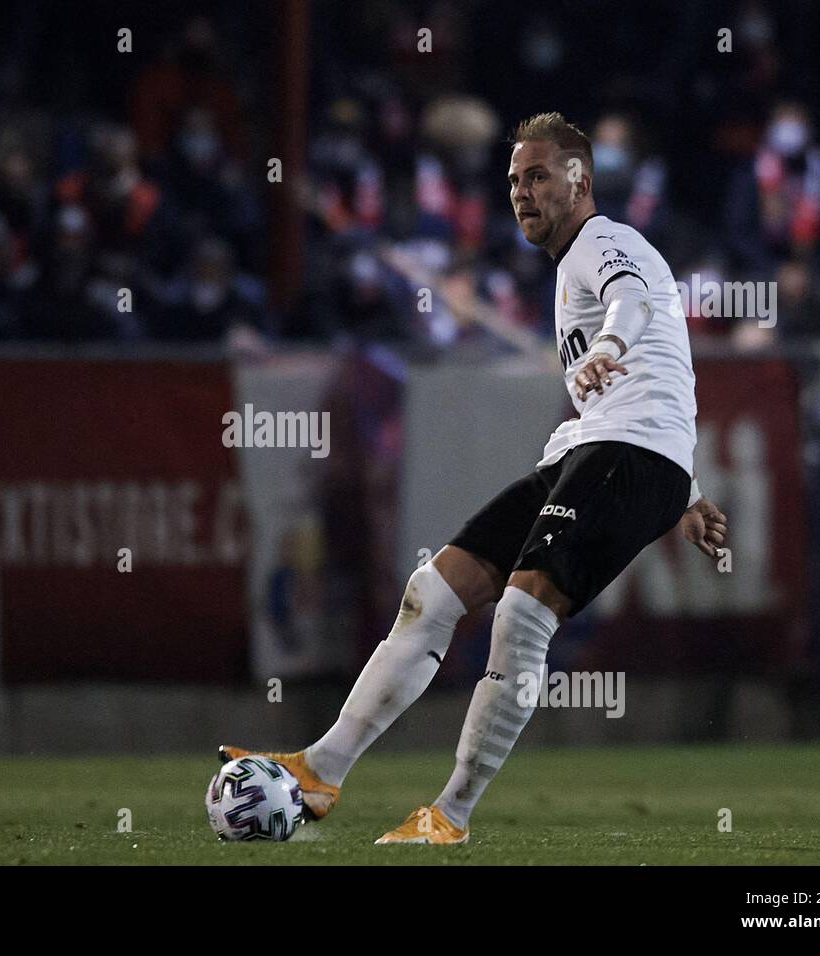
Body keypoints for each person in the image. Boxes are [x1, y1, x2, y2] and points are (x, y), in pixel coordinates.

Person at [220, 113, 729, 844]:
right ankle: (318, 769)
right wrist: (688, 490)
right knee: (432, 594)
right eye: (515, 180)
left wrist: (612, 347)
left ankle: (450, 814)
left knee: (523, 615)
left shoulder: (605, 243)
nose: (521, 193)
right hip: (597, 453)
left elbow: (637, 307)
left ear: (580, 180)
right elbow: (667, 375)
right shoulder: (574, 264)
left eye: (539, 176)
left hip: (623, 453)